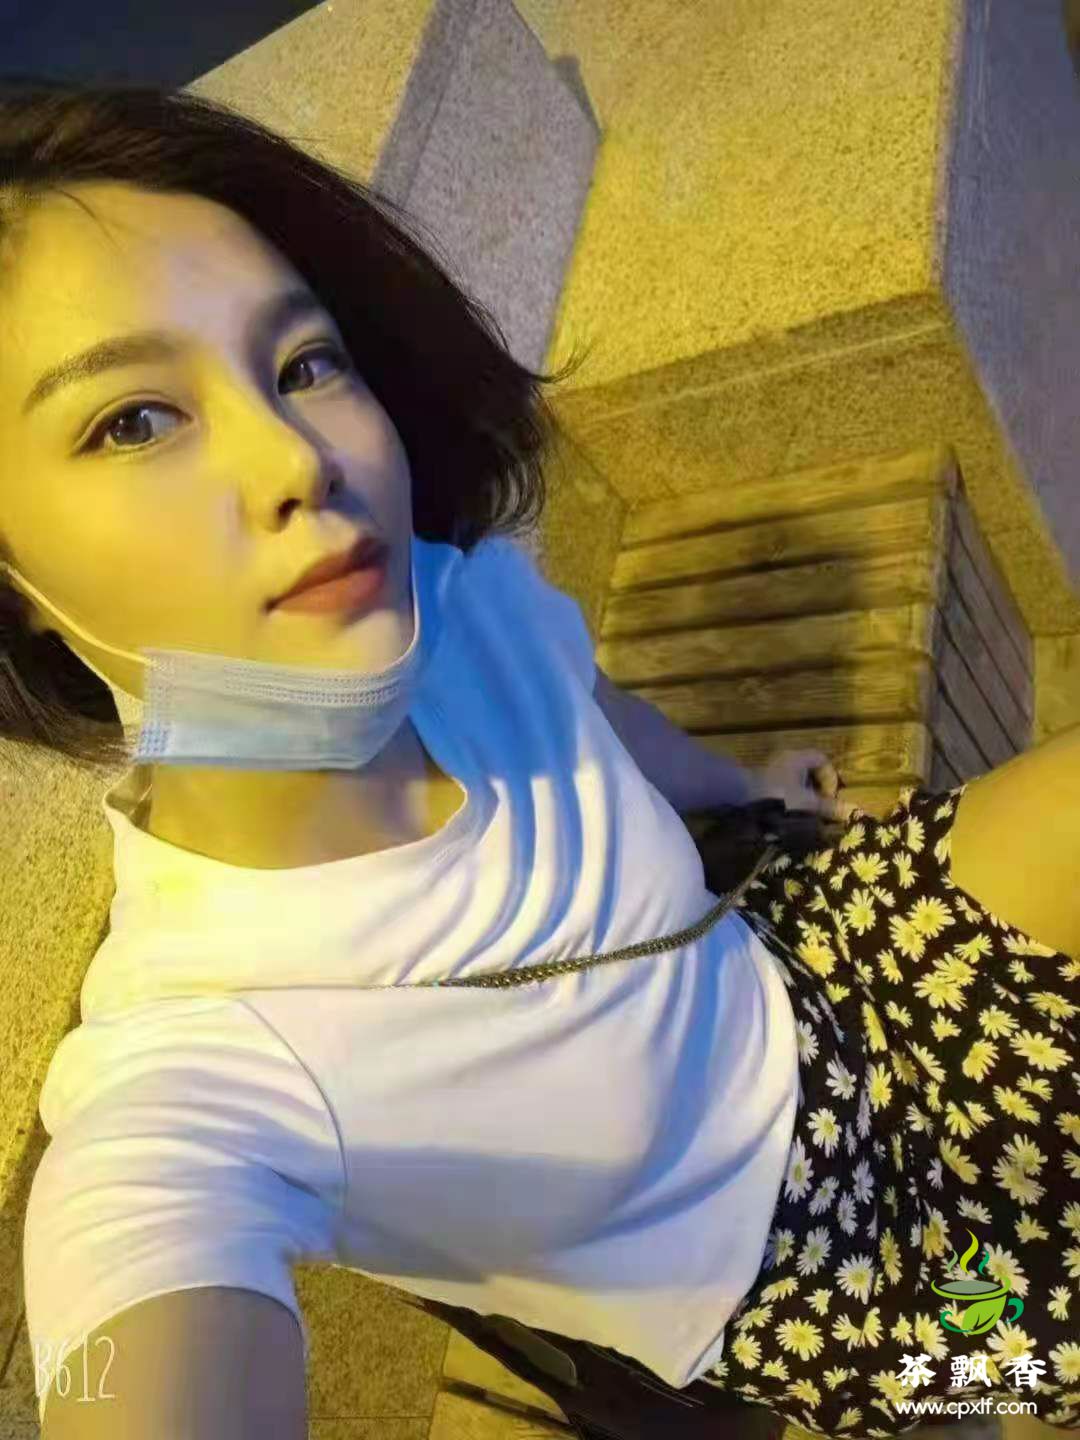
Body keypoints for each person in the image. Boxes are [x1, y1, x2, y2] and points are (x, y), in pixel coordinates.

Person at [0, 77, 1076, 1440]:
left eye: (304, 363)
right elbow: (146, 1318)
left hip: (826, 961)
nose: (296, 460)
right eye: (134, 421)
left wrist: (742, 784)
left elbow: (593, 713)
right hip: (827, 1286)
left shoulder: (453, 606)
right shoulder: (191, 1084)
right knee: (1025, 1352)